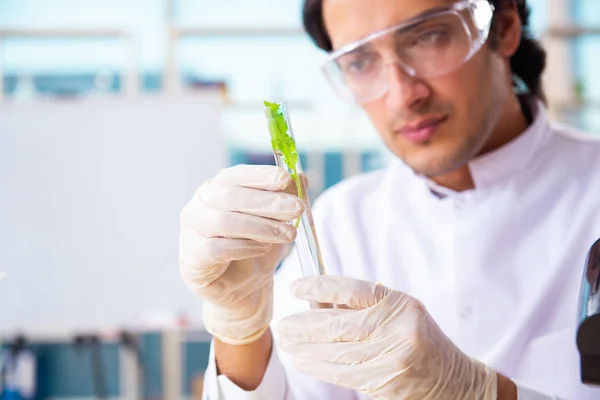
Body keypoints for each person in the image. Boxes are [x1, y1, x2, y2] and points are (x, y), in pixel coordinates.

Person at [179, 0, 600, 398]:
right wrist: (240, 329)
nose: (402, 95)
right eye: (360, 61)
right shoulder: (340, 223)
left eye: (428, 37)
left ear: (504, 27)